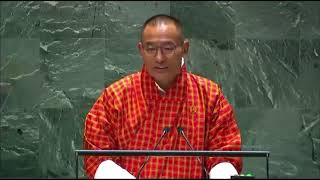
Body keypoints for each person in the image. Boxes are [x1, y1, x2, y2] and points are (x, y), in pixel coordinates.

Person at [83, 14, 242, 179]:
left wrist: (223, 171)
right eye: (151, 49)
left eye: (168, 48)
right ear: (141, 50)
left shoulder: (210, 96)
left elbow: (224, 153)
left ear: (185, 48)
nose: (159, 58)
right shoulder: (115, 97)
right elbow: (97, 156)